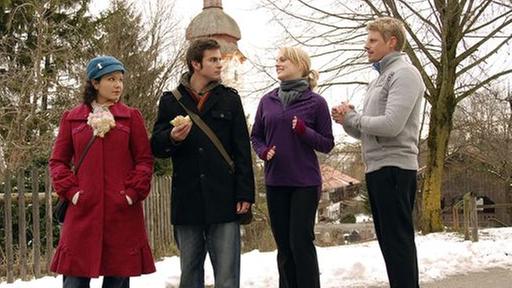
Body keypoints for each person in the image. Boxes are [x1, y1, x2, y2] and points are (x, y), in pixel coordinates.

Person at [150, 39, 254, 288]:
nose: (220, 64)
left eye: (220, 59)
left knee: (228, 276)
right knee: (190, 275)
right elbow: (156, 146)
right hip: (187, 200)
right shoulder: (170, 101)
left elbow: (242, 149)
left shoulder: (230, 99)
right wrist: (171, 138)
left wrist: (245, 193)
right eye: (213, 60)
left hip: (224, 197)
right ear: (196, 64)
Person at [332, 17, 425, 288]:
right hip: (377, 168)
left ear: (391, 41)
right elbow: (367, 131)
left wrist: (355, 117)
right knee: (389, 244)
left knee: (398, 243)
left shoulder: (405, 74)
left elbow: (391, 125)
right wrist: (347, 119)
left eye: (373, 40)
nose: (366, 46)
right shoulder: (379, 80)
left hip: (396, 168)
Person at [49, 55, 155, 288]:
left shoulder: (131, 117)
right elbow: (58, 161)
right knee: (74, 281)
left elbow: (145, 161)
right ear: (95, 83)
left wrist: (130, 194)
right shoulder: (72, 118)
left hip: (121, 213)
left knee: (117, 280)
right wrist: (73, 192)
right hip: (83, 212)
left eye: (120, 79)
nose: (118, 85)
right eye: (111, 79)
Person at [251, 46, 334, 288]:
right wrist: (264, 152)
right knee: (284, 247)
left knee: (301, 242)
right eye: (276, 60)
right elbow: (255, 136)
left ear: (300, 65)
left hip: (305, 183)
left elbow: (327, 144)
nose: (278, 63)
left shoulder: (316, 102)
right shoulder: (267, 101)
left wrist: (304, 132)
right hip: (276, 182)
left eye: (283, 60)